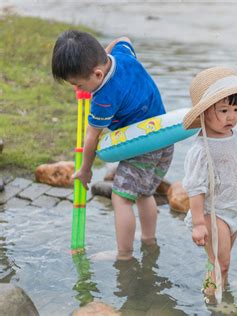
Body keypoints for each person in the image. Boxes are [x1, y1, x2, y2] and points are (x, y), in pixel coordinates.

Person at [52, 30, 173, 260]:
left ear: (98, 74)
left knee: (121, 197)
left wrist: (86, 169)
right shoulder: (123, 55)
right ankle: (149, 241)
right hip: (164, 140)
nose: (78, 90)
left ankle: (124, 256)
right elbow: (124, 38)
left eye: (78, 84)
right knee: (145, 193)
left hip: (143, 147)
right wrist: (104, 52)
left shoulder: (103, 97)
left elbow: (91, 137)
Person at [181, 66, 237, 303]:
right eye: (223, 110)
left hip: (233, 209)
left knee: (221, 262)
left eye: (236, 109)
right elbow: (195, 188)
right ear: (204, 113)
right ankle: (213, 303)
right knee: (221, 263)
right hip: (214, 214)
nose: (231, 116)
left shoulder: (236, 137)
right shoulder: (201, 150)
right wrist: (199, 224)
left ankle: (215, 290)